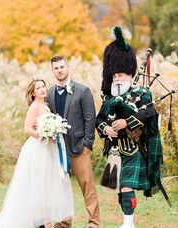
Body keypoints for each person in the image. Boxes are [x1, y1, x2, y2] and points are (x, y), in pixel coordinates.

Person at [0, 79, 74, 228]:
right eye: (38, 88)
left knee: (46, 184)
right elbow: (27, 129)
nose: (42, 89)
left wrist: (53, 133)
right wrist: (44, 135)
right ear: (33, 92)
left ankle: (44, 220)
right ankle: (42, 222)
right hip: (38, 149)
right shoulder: (35, 107)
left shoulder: (45, 106)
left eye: (43, 86)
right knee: (38, 184)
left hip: (49, 149)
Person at [96, 27, 163, 228]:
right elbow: (99, 119)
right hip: (115, 149)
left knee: (125, 185)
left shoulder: (142, 93)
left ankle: (128, 223)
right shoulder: (108, 97)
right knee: (120, 187)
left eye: (121, 75)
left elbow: (149, 112)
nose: (117, 79)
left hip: (134, 147)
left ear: (129, 73)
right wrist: (105, 129)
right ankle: (128, 220)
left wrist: (127, 122)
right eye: (114, 76)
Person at [46, 56, 100, 228]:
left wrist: (87, 145)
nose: (59, 70)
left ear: (68, 67)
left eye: (62, 67)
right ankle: (63, 222)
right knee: (61, 188)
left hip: (79, 147)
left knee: (87, 186)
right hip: (57, 148)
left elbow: (90, 119)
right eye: (56, 68)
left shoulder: (82, 91)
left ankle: (94, 222)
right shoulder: (49, 93)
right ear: (52, 70)